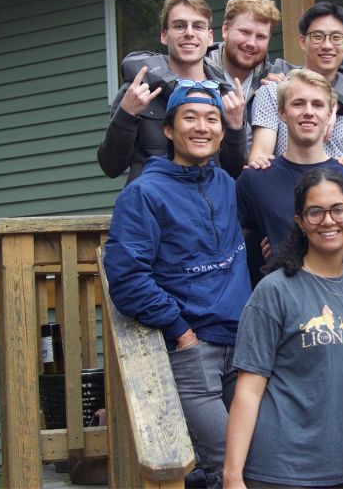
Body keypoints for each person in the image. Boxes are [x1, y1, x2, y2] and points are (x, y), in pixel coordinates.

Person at [103, 80, 251, 489]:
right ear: (169, 130)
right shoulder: (144, 194)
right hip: (192, 351)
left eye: (211, 119)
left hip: (242, 347)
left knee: (250, 459)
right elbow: (128, 276)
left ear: (222, 131)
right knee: (225, 463)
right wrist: (180, 332)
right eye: (190, 118)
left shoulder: (228, 185)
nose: (201, 127)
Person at [223, 169, 343, 489]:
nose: (328, 220)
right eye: (315, 211)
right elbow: (248, 390)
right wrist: (232, 476)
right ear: (299, 221)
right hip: (280, 471)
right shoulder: (274, 291)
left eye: (338, 209)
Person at [236, 69, 343, 293]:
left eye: (317, 105)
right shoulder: (255, 180)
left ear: (329, 114)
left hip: (342, 305)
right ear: (282, 113)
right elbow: (236, 251)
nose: (308, 112)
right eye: (298, 104)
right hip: (282, 307)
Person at [97, 0, 246, 182]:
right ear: (164, 35)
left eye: (198, 26)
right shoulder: (137, 89)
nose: (189, 33)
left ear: (209, 37)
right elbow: (110, 166)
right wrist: (126, 115)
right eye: (179, 26)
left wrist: (235, 128)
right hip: (151, 207)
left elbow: (234, 173)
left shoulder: (227, 96)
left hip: (206, 207)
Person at [248, 1, 343, 172]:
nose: (327, 45)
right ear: (303, 41)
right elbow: (260, 158)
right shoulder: (273, 93)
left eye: (336, 37)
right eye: (318, 36)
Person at [207, 0, 294, 148]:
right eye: (245, 32)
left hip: (263, 169)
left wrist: (336, 103)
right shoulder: (201, 69)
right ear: (226, 29)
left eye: (261, 37)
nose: (251, 43)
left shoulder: (278, 73)